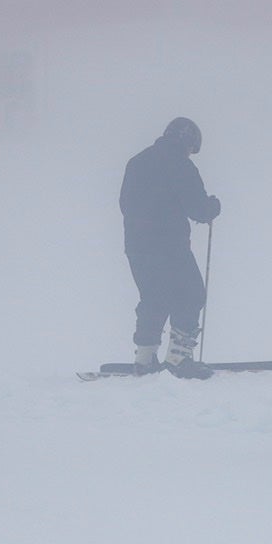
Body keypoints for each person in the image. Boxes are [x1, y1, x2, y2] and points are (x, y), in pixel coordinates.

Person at [119, 117, 221, 379]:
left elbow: (124, 204)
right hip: (169, 246)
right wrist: (212, 208)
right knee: (191, 294)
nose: (190, 154)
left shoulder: (137, 162)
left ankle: (144, 359)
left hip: (137, 246)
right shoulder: (180, 166)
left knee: (154, 297)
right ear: (187, 142)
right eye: (192, 148)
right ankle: (178, 359)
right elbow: (197, 208)